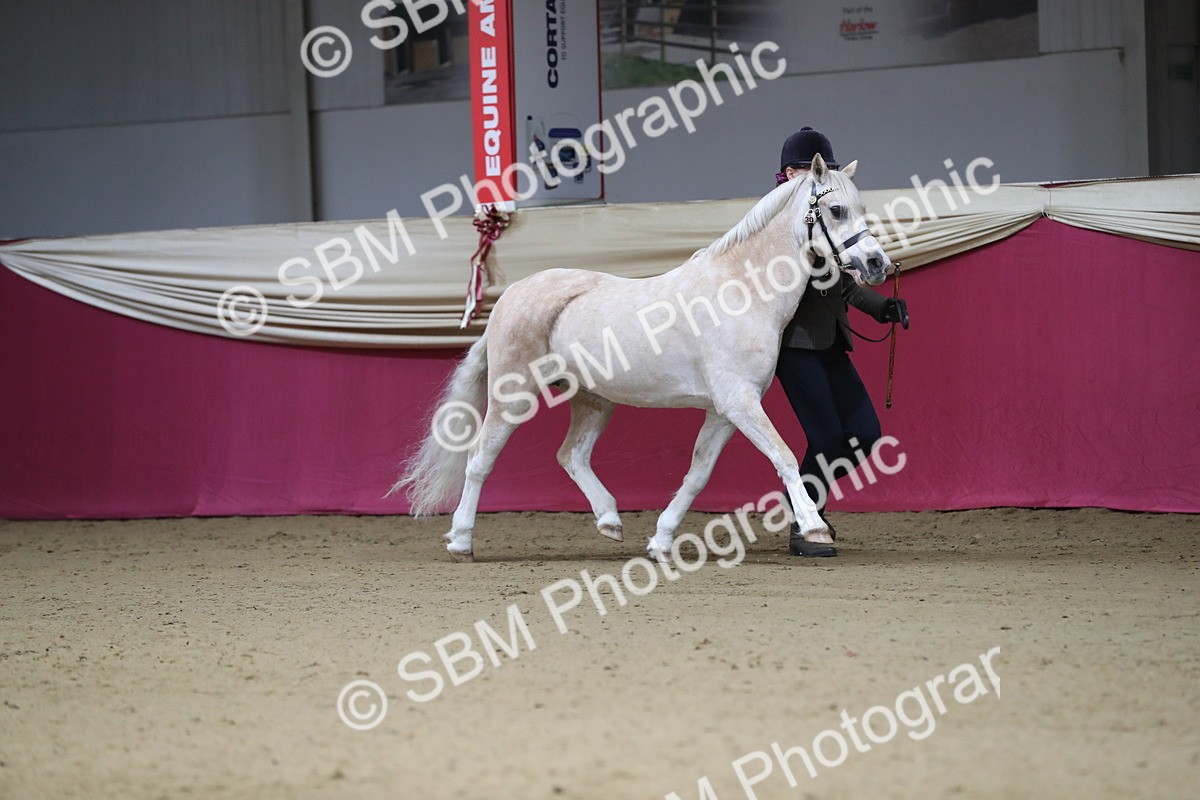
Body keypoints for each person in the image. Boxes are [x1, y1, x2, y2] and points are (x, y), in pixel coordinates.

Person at [775, 127, 909, 558]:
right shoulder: (778, 224)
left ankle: (804, 503)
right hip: (794, 346)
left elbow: (842, 284)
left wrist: (880, 307)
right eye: (817, 171)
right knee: (827, 436)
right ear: (790, 172)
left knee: (866, 434)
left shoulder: (824, 220)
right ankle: (805, 518)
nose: (822, 178)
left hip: (831, 342)